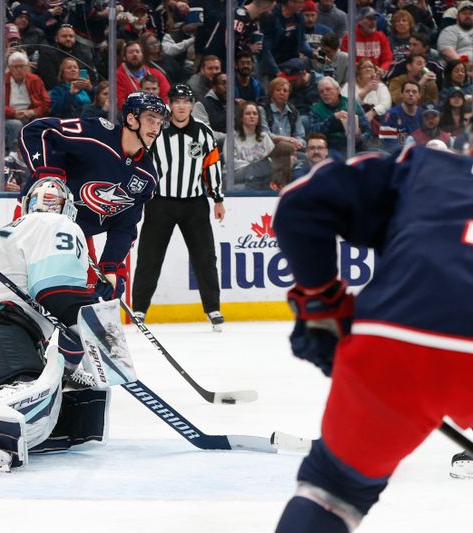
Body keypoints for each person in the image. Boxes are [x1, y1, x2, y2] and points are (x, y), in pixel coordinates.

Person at [272, 142, 473, 533]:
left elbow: (300, 205)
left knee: (332, 491)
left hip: (398, 338)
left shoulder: (424, 166)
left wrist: (321, 303)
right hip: (405, 334)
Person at [0, 177, 113, 471]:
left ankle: (9, 417)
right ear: (69, 208)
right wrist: (102, 336)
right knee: (29, 389)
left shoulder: (6, 232)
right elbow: (56, 292)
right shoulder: (58, 225)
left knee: (72, 396)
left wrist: (71, 365)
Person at [18, 91, 169, 340]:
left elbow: (125, 226)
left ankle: (76, 366)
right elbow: (36, 131)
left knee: (95, 296)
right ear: (131, 119)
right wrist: (48, 176)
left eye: (160, 121)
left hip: (76, 235)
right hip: (38, 219)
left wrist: (111, 264)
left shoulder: (146, 176)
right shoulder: (97, 133)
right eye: (151, 118)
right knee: (29, 291)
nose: (156, 127)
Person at [132, 84, 224, 328]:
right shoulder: (156, 130)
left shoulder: (204, 132)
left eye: (185, 101)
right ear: (170, 104)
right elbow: (140, 160)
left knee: (205, 257)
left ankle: (213, 309)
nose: (181, 106)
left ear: (192, 105)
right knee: (149, 257)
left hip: (195, 203)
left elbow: (211, 165)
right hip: (159, 202)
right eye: (177, 101)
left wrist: (217, 198)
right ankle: (139, 308)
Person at [308, 77, 372, 157]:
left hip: (357, 145)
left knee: (379, 155)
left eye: (328, 89)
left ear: (338, 90)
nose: (325, 93)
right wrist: (332, 119)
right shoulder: (316, 109)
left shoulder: (352, 104)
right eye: (321, 92)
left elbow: (368, 130)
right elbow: (313, 133)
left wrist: (359, 138)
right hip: (331, 146)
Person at [341, 57, 392, 126]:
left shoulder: (380, 86)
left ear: (375, 71)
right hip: (354, 121)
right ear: (358, 72)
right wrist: (366, 90)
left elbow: (386, 104)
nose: (368, 69)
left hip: (376, 120)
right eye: (364, 67)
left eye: (371, 67)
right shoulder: (349, 86)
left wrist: (372, 112)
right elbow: (345, 105)